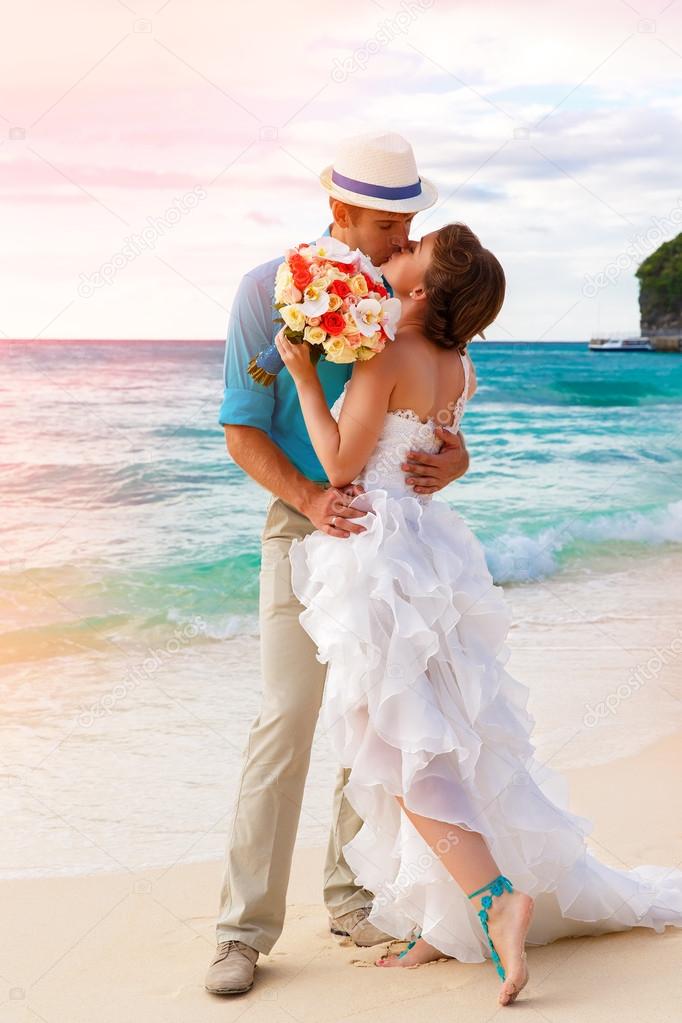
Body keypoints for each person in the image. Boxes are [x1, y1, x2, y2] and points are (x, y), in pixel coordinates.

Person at [276, 221, 682, 1008]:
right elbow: (442, 445)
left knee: (395, 741)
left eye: (410, 254)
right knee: (440, 731)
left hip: (377, 554)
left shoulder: (389, 352)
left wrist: (299, 372)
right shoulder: (456, 364)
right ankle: (443, 918)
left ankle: (494, 898)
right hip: (429, 552)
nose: (397, 254)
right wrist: (451, 461)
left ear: (422, 290)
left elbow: (336, 463)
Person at [206, 132, 471, 996]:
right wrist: (314, 499)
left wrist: (456, 459)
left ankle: (353, 895)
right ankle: (241, 930)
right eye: (386, 224)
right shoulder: (263, 291)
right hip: (301, 527)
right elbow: (243, 429)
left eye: (410, 225)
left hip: (391, 543)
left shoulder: (408, 298)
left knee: (378, 719)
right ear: (338, 215)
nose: (400, 242)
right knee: (286, 718)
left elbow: (440, 404)